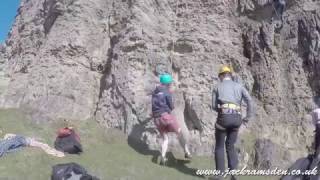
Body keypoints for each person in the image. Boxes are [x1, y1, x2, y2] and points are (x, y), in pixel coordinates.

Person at [211, 66, 254, 180]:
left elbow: (214, 106)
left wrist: (222, 109)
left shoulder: (217, 87)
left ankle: (220, 175)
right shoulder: (239, 86)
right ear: (230, 75)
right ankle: (233, 172)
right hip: (237, 119)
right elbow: (249, 100)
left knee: (219, 146)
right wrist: (247, 117)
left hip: (223, 118)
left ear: (221, 76)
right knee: (230, 145)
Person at [151, 73, 191, 165]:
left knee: (165, 138)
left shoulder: (154, 92)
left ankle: (163, 157)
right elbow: (171, 106)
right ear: (168, 83)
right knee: (180, 132)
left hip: (157, 119)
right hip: (165, 117)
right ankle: (187, 152)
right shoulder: (167, 92)